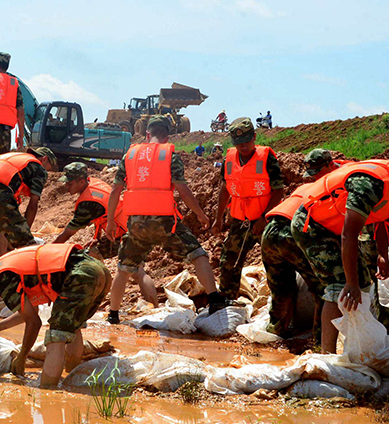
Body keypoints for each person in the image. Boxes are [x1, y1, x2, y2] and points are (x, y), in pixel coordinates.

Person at [291, 146, 389, 353]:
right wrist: (350, 282)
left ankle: (355, 347)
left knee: (362, 284)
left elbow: (379, 219)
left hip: (334, 226)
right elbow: (349, 235)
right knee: (339, 286)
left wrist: (382, 254)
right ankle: (326, 355)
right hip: (312, 226)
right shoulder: (369, 185)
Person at [105, 115, 223, 323]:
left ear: (147, 133)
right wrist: (200, 214)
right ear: (167, 135)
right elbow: (183, 190)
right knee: (198, 255)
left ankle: (113, 315)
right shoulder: (170, 156)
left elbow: (115, 191)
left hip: (136, 223)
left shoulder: (129, 156)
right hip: (164, 223)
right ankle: (215, 300)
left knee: (124, 268)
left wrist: (111, 221)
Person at [0, 244, 110, 388]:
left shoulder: (0, 277)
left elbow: (33, 322)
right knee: (72, 327)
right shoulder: (2, 265)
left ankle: (48, 393)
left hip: (80, 275)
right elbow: (28, 313)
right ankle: (72, 377)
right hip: (98, 270)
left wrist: (22, 356)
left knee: (57, 335)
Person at [259, 149, 339, 337]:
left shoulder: (305, 188)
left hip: (269, 233)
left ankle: (275, 334)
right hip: (291, 234)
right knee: (323, 288)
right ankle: (320, 341)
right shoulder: (330, 189)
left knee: (280, 289)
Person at [213, 118, 285, 300]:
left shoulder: (267, 158)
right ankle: (227, 301)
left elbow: (278, 191)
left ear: (254, 137)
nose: (243, 146)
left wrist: (263, 218)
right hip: (240, 220)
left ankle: (282, 306)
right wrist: (218, 218)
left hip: (265, 221)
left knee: (276, 264)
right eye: (239, 143)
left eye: (246, 141)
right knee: (229, 261)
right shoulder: (228, 159)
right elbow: (224, 189)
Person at [0, 148, 55, 259]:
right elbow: (33, 204)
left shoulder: (7, 157)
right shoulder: (38, 167)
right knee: (27, 246)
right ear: (44, 159)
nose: (47, 171)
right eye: (48, 168)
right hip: (0, 196)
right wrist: (24, 232)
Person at [51, 162, 125, 258]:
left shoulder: (88, 203)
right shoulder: (94, 184)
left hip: (127, 235)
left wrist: (49, 250)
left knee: (87, 257)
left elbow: (68, 233)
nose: (66, 186)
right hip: (129, 226)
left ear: (81, 181)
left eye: (70, 184)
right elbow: (100, 215)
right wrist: (97, 238)